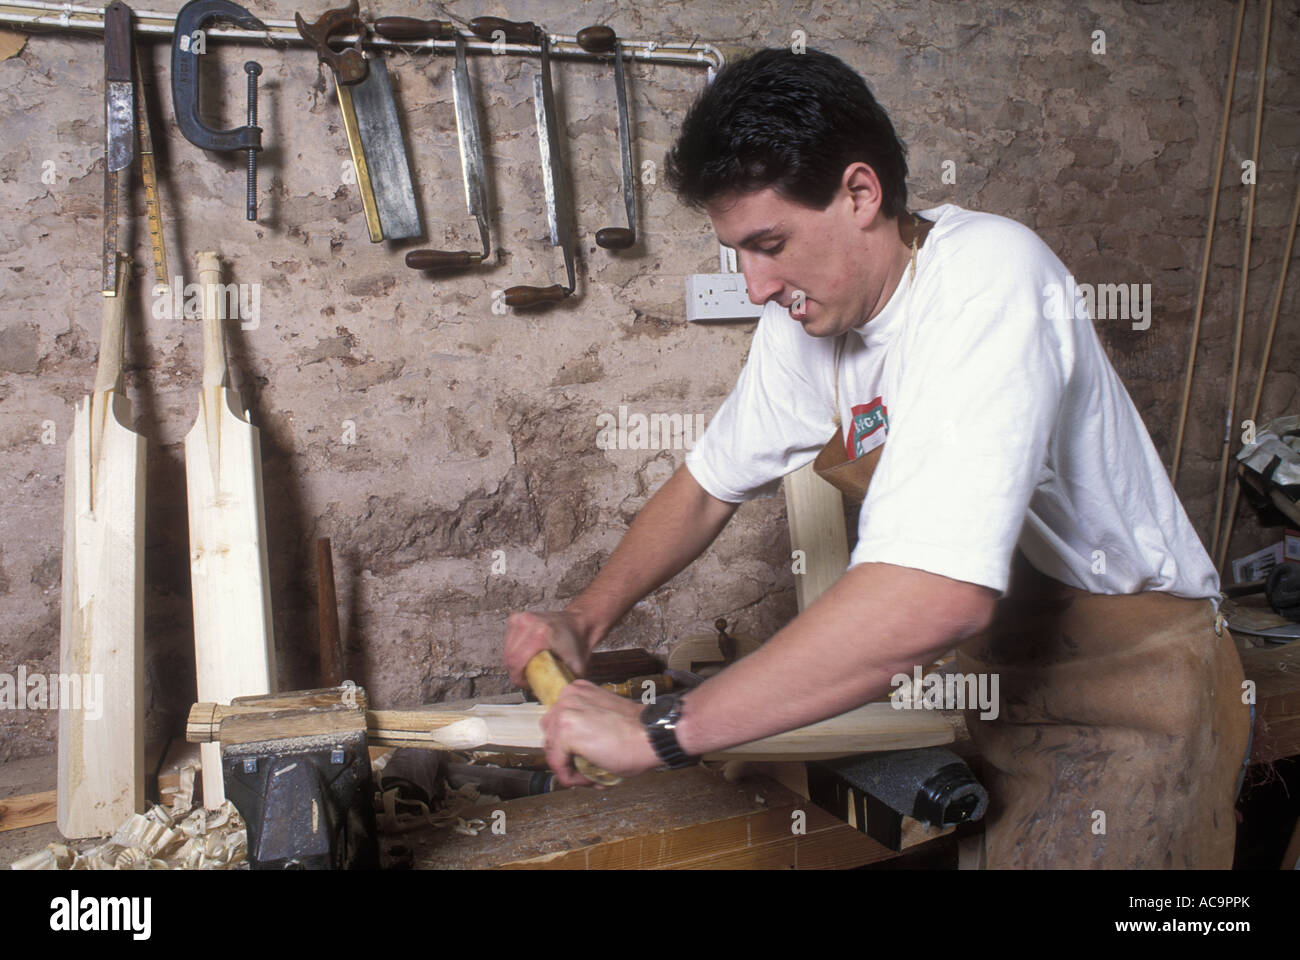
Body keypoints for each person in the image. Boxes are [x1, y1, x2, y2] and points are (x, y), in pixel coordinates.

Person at [503, 48, 1249, 868]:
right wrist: (586, 616)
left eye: (771, 243)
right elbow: (708, 486)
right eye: (737, 254)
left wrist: (662, 732)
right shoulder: (809, 326)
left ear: (862, 193)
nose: (754, 286)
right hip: (1004, 691)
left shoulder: (988, 279)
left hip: (1131, 695)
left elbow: (935, 602)